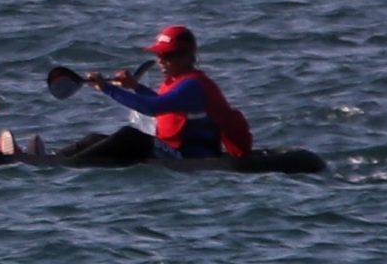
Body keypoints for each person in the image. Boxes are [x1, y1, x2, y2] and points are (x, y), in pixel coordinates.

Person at [58, 24, 253, 165]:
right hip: (172, 151)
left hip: (191, 157)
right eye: (158, 55)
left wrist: (108, 88)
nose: (160, 61)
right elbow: (161, 102)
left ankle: (69, 165)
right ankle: (55, 157)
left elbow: (153, 108)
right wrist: (134, 86)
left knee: (129, 135)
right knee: (94, 138)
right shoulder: (177, 82)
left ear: (187, 57)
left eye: (167, 56)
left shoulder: (194, 85)